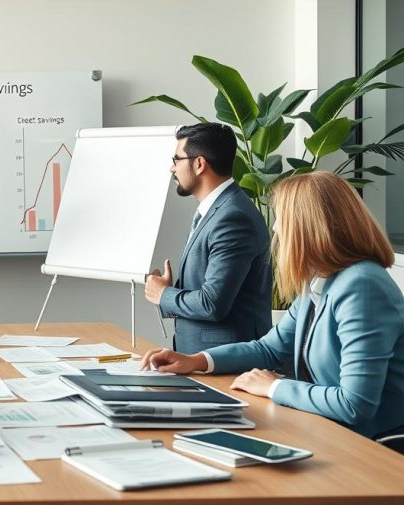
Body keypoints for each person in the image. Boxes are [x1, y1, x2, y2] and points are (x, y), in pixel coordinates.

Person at [142, 171, 404, 439]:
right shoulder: (321, 281)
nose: (276, 228)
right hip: (331, 432)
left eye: (281, 219)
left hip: (377, 445)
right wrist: (196, 361)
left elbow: (355, 404)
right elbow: (269, 349)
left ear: (307, 227)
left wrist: (274, 387)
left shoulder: (362, 285)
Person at [144, 123, 272, 354]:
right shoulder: (218, 210)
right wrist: (169, 292)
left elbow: (212, 303)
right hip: (202, 357)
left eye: (176, 160)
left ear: (199, 164)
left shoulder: (232, 217)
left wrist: (163, 295)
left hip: (227, 361)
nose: (172, 168)